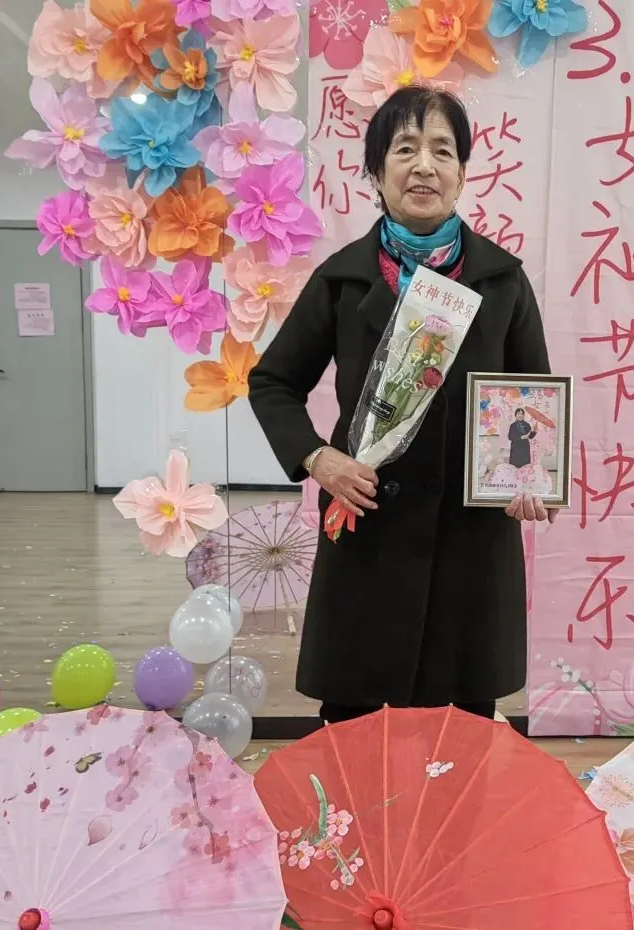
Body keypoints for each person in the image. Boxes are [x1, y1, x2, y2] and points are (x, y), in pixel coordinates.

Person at [248, 87, 555, 725]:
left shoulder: (502, 281)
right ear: (376, 171)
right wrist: (318, 459)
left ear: (462, 173)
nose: (424, 166)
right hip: (369, 532)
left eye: (443, 151)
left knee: (460, 735)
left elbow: (532, 399)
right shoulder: (342, 279)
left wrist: (530, 477)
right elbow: (272, 381)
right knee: (353, 727)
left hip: (469, 541)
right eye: (405, 149)